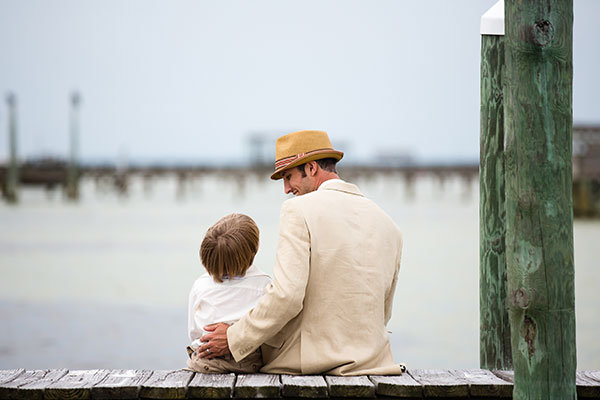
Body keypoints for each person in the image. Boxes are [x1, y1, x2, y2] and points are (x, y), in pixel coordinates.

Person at [199, 130, 404, 375]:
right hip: (375, 363)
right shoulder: (388, 224)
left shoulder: (298, 210)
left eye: (288, 176)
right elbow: (384, 310)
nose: (286, 189)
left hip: (310, 365)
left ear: (311, 168)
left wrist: (234, 337)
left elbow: (287, 296)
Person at [186, 213, 272, 373]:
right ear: (256, 247)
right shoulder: (264, 284)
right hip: (247, 362)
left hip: (206, 360)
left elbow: (194, 332)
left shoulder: (200, 285)